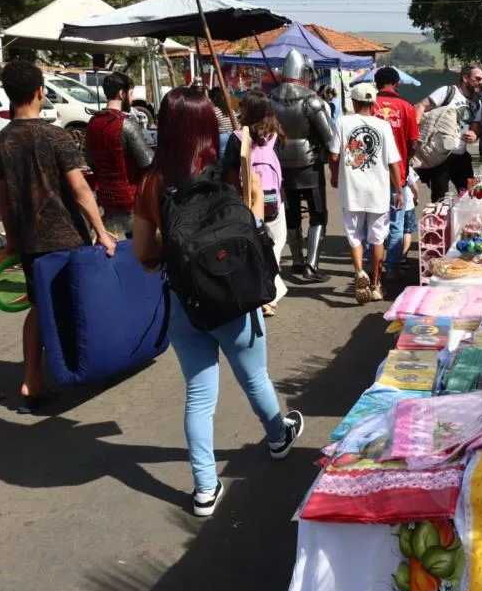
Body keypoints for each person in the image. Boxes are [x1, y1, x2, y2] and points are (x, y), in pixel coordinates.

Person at [131, 87, 304, 517]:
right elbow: (256, 216)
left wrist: (170, 254)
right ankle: (278, 436)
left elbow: (142, 252)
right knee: (254, 377)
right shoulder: (229, 162)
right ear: (209, 122)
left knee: (199, 396)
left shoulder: (152, 181)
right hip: (234, 293)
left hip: (185, 300)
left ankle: (205, 489)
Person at [0, 60, 117, 414]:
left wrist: (12, 238)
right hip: (66, 239)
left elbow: (2, 198)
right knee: (77, 304)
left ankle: (32, 378)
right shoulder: (55, 136)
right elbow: (80, 188)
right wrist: (101, 232)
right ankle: (85, 366)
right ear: (40, 92)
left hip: (31, 242)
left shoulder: (2, 142)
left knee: (39, 306)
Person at [330, 84, 403, 303]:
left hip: (351, 191)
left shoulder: (342, 122)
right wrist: (399, 190)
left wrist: (335, 177)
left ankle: (359, 271)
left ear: (354, 102)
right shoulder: (383, 125)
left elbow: (334, 156)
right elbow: (393, 163)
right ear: (373, 103)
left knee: (354, 235)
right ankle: (376, 285)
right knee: (378, 237)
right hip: (378, 192)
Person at [270, 49, 336, 283]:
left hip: (280, 163)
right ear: (305, 71)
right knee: (318, 215)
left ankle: (297, 262)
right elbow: (329, 136)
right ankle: (311, 264)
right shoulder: (311, 100)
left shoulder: (271, 98)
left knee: (292, 215)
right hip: (309, 164)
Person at [223, 90, 289, 316]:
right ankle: (271, 294)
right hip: (275, 200)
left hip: (247, 199)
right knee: (275, 247)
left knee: (254, 247)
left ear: (247, 110)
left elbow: (230, 173)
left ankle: (263, 295)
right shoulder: (276, 134)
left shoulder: (238, 137)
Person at [85, 71, 154, 240]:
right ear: (121, 94)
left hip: (106, 201)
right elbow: (148, 162)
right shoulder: (126, 123)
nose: (131, 100)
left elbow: (89, 161)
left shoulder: (93, 123)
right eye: (130, 95)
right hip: (131, 202)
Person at [373, 67, 420, 280]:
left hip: (371, 174)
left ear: (376, 83)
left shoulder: (368, 104)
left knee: (371, 222)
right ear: (397, 83)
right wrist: (405, 158)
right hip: (397, 174)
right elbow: (414, 143)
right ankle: (391, 266)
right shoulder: (407, 107)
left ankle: (370, 266)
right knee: (396, 223)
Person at [414, 64, 482, 202]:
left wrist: (474, 135)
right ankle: (438, 222)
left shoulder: (478, 102)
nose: (481, 82)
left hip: (461, 155)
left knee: (470, 195)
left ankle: (467, 222)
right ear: (465, 78)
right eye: (477, 78)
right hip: (440, 155)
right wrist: (415, 133)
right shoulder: (448, 92)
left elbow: (476, 125)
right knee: (440, 198)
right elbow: (421, 105)